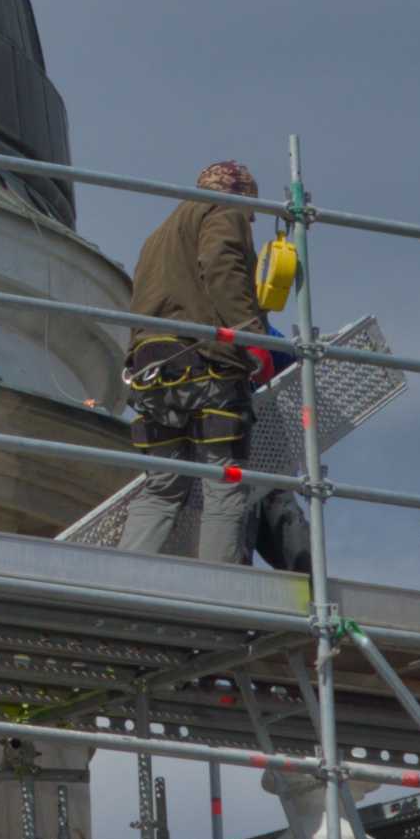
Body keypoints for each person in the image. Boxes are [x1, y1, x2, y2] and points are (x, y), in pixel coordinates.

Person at [123, 161, 289, 569]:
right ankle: (221, 588)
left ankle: (119, 579)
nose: (249, 219)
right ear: (240, 193)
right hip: (207, 363)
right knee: (224, 483)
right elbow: (221, 267)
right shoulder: (222, 210)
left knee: (162, 486)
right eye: (250, 210)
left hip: (152, 368)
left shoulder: (157, 236)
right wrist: (251, 336)